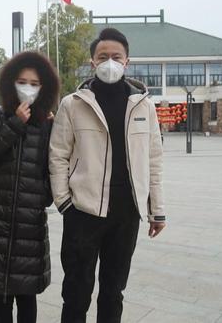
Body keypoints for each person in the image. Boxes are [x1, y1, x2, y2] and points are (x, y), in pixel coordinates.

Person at [49, 28, 166, 323]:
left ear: (127, 61)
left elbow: (154, 158)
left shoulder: (143, 105)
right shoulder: (73, 104)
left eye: (116, 56)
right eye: (103, 56)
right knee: (76, 291)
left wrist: (157, 211)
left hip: (126, 213)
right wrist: (64, 203)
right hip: (83, 212)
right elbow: (58, 154)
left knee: (114, 291)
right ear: (92, 62)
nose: (109, 62)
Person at [0, 51, 60, 323]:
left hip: (29, 223)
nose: (28, 87)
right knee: (1, 293)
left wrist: (43, 196)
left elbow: (53, 167)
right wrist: (16, 122)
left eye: (34, 83)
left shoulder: (47, 125)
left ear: (44, 88)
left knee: (27, 294)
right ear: (10, 82)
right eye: (22, 81)